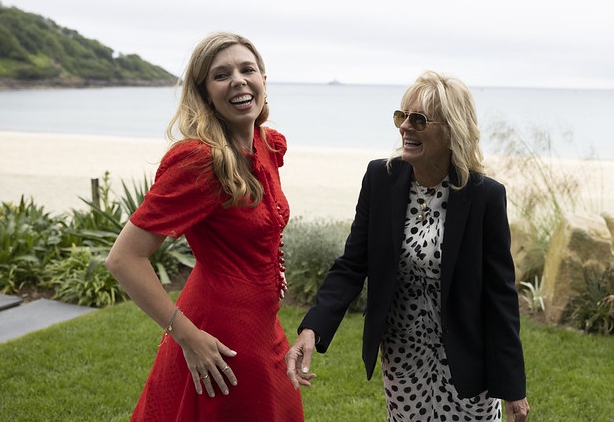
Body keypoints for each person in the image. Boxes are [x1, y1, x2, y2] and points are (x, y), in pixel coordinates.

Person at [286, 70, 530, 421]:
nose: (405, 127)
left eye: (419, 119)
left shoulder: (484, 196)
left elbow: (500, 295)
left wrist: (512, 388)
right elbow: (353, 264)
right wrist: (313, 328)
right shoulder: (380, 180)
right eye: (402, 116)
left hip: (466, 362)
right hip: (402, 358)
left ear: (451, 130)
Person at [105, 31, 305, 421]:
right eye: (221, 74)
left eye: (248, 69)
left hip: (263, 326)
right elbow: (124, 258)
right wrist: (187, 336)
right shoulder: (201, 160)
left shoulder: (266, 145)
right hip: (216, 334)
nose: (238, 80)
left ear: (263, 78)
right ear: (204, 92)